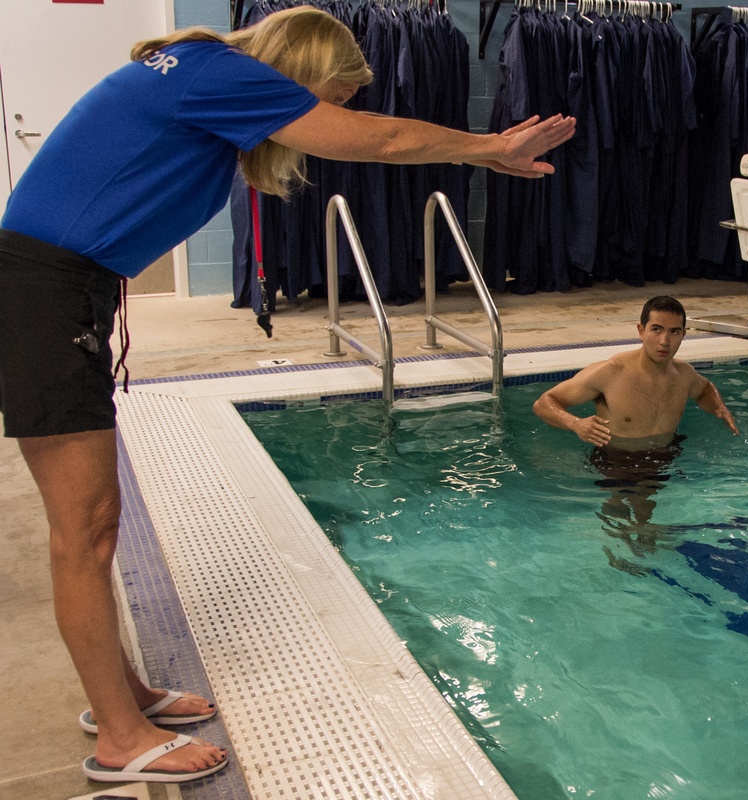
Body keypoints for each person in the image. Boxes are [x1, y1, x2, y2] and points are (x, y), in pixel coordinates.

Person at [0, 7, 575, 784]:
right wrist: (489, 148)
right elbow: (382, 139)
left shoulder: (200, 71)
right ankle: (120, 742)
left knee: (97, 524)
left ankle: (124, 701)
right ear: (300, 72)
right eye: (329, 96)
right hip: (43, 295)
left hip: (57, 291)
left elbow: (358, 128)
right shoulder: (228, 75)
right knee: (87, 530)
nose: (328, 114)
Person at [532, 296, 739, 450]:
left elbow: (704, 390)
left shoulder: (684, 374)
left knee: (647, 508)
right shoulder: (610, 373)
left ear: (683, 335)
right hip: (616, 460)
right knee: (617, 509)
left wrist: (719, 407)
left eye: (674, 332)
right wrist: (575, 424)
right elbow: (543, 403)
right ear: (641, 331)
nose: (664, 341)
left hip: (666, 454)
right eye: (656, 329)